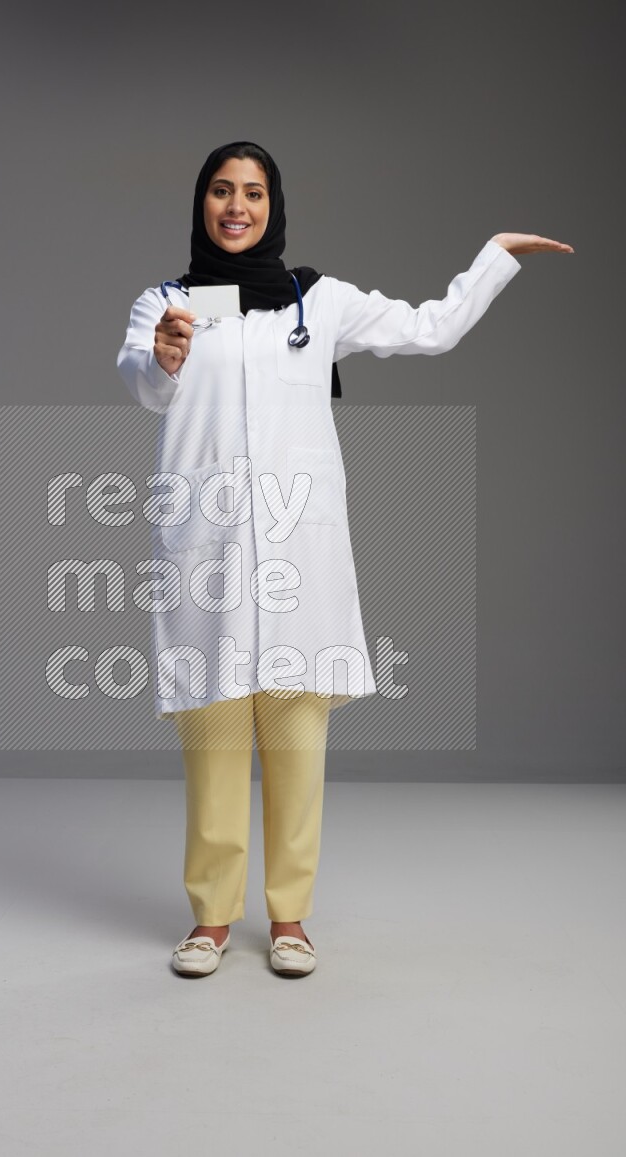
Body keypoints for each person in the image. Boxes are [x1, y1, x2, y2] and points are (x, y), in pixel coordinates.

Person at [116, 140, 573, 978]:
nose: (236, 206)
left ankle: (288, 919)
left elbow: (428, 329)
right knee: (213, 740)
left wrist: (492, 261)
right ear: (202, 203)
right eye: (221, 191)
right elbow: (143, 380)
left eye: (253, 192)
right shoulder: (175, 301)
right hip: (208, 552)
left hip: (298, 555)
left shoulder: (312, 302)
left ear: (273, 203)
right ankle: (211, 920)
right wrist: (164, 358)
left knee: (296, 740)